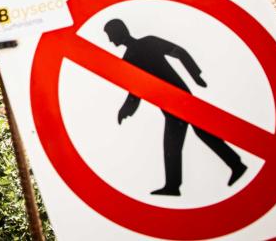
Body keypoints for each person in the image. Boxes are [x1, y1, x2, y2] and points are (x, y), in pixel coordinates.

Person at [103, 18, 248, 196]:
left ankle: (175, 185)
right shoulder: (138, 51)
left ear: (119, 32)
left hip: (178, 102)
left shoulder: (137, 52)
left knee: (177, 142)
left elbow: (177, 53)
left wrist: (196, 76)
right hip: (174, 102)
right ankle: (234, 165)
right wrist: (127, 109)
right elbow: (137, 89)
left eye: (110, 35)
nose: (110, 40)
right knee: (200, 134)